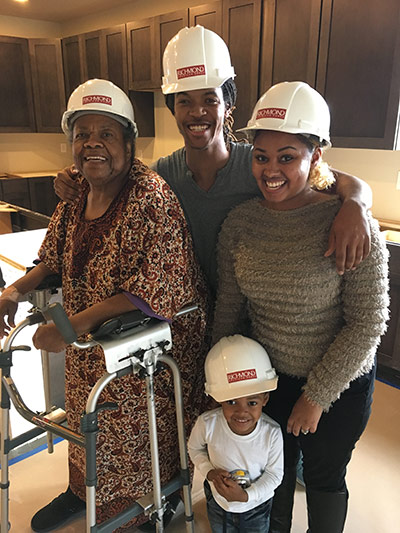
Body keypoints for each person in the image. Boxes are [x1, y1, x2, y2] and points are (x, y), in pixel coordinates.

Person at [0, 79, 210, 532]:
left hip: (149, 350)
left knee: (133, 434)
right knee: (86, 420)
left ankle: (150, 506)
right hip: (90, 346)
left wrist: (72, 326)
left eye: (107, 134)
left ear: (129, 143)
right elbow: (52, 257)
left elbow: (149, 289)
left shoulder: (150, 199)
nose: (92, 144)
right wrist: (14, 291)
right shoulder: (77, 195)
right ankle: (84, 491)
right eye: (82, 135)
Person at [54, 26, 373, 299]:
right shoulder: (163, 174)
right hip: (187, 317)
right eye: (184, 101)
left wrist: (356, 204)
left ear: (228, 106)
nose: (197, 112)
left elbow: (336, 180)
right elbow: (114, 188)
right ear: (173, 109)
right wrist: (79, 176)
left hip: (251, 319)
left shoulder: (260, 166)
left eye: (210, 99)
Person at [212, 81, 389, 533]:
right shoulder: (241, 223)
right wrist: (219, 383)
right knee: (276, 478)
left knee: (326, 479)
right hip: (269, 380)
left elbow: (368, 324)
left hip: (339, 386)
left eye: (287, 156)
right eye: (262, 156)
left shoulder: (350, 224)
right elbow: (230, 311)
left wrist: (316, 398)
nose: (271, 170)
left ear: (316, 158)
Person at [188, 335, 284, 533]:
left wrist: (247, 497)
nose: (242, 412)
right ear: (219, 399)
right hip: (218, 503)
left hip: (256, 506)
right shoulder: (207, 424)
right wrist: (210, 472)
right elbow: (194, 448)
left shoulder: (272, 433)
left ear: (265, 399)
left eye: (252, 402)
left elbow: (275, 475)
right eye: (231, 402)